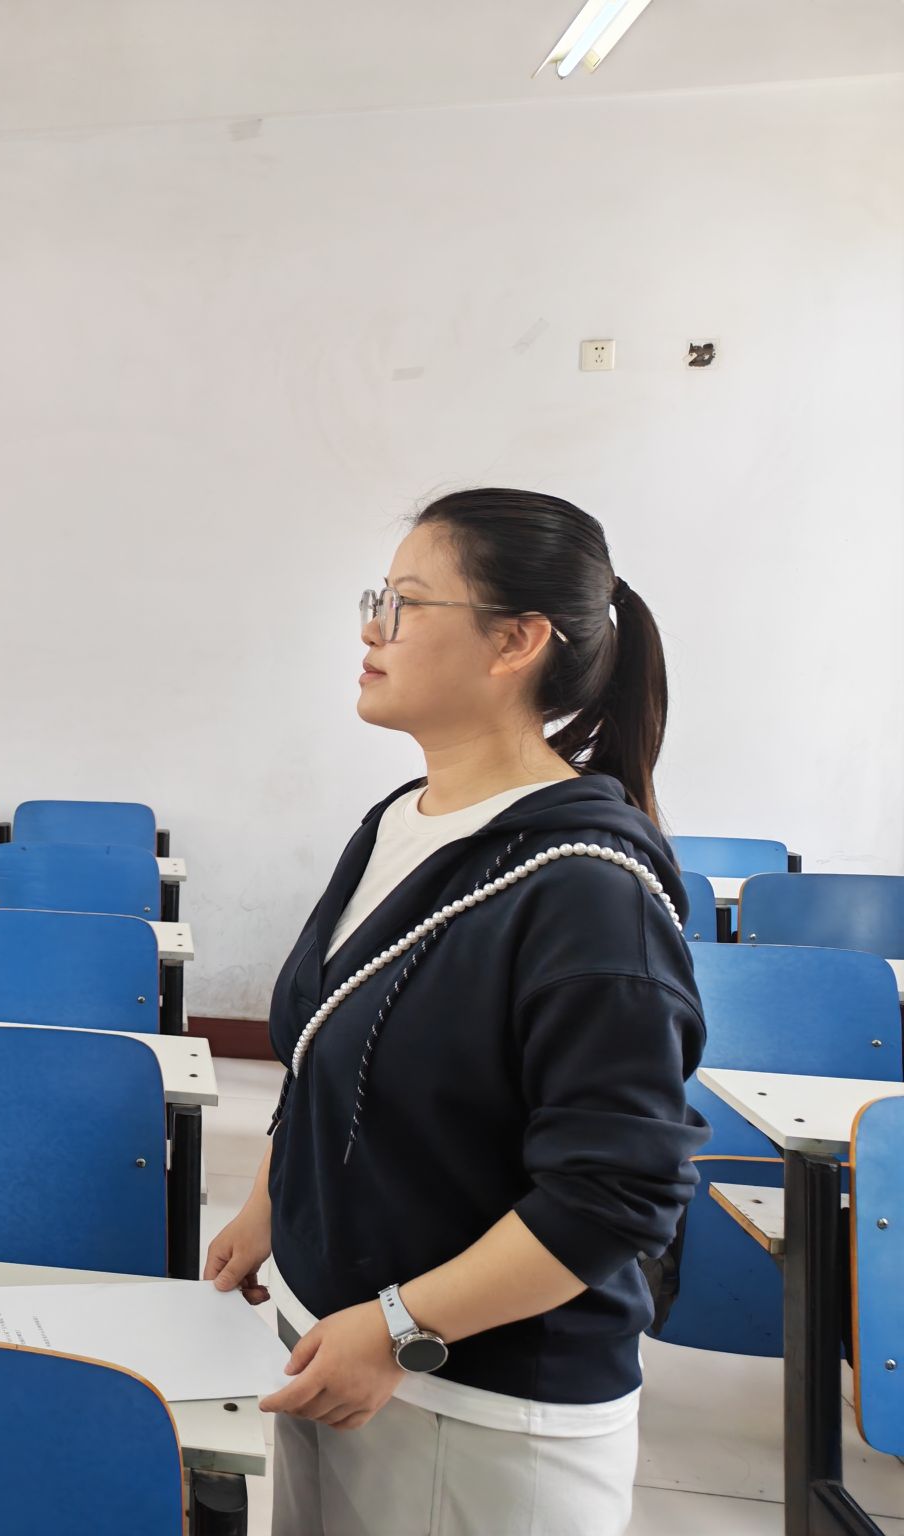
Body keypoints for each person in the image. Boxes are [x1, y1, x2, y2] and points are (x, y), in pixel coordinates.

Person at [205, 489, 708, 1535]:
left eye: (403, 604)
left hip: (476, 1406)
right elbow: (320, 1046)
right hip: (339, 1343)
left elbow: (614, 1194)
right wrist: (267, 1203)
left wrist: (397, 1327)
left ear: (515, 641)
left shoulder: (589, 890)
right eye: (374, 601)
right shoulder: (403, 820)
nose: (369, 631)